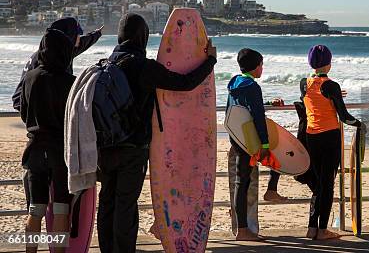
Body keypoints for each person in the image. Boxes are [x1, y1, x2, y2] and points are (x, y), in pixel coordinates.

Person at [96, 13, 216, 253]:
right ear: (143, 37)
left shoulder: (105, 65)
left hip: (105, 146)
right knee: (126, 204)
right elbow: (184, 83)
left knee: (107, 201)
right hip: (133, 148)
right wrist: (210, 61)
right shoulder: (144, 67)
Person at [20, 29, 76, 253]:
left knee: (35, 209)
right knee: (62, 209)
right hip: (60, 151)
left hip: (34, 148)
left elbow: (24, 114)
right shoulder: (70, 81)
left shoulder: (30, 78)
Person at [300, 45, 362, 240]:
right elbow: (344, 116)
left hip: (312, 136)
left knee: (319, 184)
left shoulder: (304, 83)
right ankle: (323, 229)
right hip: (330, 137)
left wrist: (336, 96)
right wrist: (361, 124)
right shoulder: (331, 85)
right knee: (327, 184)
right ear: (328, 63)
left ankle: (311, 227)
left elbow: (313, 99)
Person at [226, 48, 273, 241]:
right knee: (243, 183)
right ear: (256, 67)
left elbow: (236, 110)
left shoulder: (234, 83)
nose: (262, 68)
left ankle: (242, 227)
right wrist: (265, 144)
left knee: (241, 183)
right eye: (261, 65)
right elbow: (258, 117)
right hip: (250, 141)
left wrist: (268, 102)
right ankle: (243, 230)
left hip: (236, 138)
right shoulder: (253, 87)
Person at [12, 17, 103, 111]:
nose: (79, 37)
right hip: (34, 114)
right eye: (78, 33)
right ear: (69, 36)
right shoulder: (44, 60)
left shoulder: (60, 53)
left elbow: (83, 43)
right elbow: (18, 99)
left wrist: (97, 34)